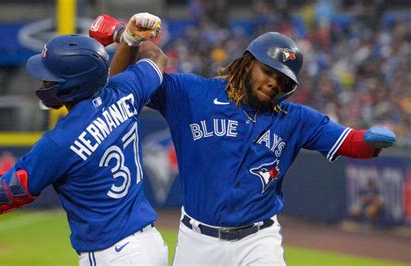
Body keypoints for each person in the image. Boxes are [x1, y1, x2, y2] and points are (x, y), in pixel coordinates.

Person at [90, 14, 397, 265]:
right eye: (268, 71)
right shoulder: (192, 93)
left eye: (283, 81)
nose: (273, 83)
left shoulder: (295, 119)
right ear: (248, 62)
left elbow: (350, 142)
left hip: (258, 241)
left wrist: (370, 141)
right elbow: (120, 88)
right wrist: (126, 39)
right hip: (197, 241)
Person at [0, 13, 168, 265]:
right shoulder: (125, 90)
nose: (44, 82)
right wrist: (125, 35)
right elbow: (157, 57)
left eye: (50, 78)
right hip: (149, 244)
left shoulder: (59, 142)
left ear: (71, 87)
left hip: (114, 254)